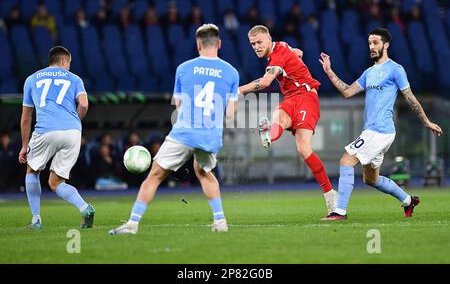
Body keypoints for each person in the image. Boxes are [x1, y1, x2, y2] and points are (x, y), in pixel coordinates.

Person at [109, 24, 239, 235]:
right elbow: (231, 113)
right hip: (210, 135)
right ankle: (220, 221)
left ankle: (132, 223)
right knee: (204, 173)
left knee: (155, 176)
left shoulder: (184, 68)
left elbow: (178, 107)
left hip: (185, 132)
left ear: (198, 45)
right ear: (219, 44)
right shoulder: (232, 73)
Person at [319, 28, 443, 220]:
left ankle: (339, 211)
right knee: (371, 179)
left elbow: (410, 97)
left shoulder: (396, 69)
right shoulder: (369, 72)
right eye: (369, 43)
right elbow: (347, 92)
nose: (371, 47)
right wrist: (329, 71)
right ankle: (409, 201)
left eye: (375, 43)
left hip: (380, 130)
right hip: (375, 132)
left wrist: (426, 121)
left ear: (386, 45)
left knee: (346, 160)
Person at [238, 25, 337, 215]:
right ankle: (268, 133)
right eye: (252, 44)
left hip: (307, 98)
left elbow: (266, 82)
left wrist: (239, 90)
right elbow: (297, 51)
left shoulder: (277, 56)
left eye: (259, 42)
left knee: (303, 149)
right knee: (278, 117)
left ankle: (331, 195)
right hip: (290, 98)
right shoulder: (281, 46)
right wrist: (295, 59)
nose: (256, 47)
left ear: (269, 39)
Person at [19, 46, 95, 229]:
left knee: (32, 170)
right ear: (63, 61)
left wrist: (24, 146)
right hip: (72, 132)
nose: (69, 67)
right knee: (56, 182)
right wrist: (76, 120)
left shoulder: (31, 79)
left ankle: (36, 219)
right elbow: (84, 104)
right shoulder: (75, 79)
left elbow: (26, 117)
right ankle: (85, 208)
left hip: (46, 130)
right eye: (69, 63)